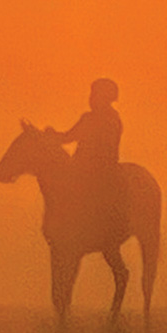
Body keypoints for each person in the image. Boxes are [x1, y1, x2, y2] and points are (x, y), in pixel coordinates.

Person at [48, 78, 125, 240]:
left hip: (97, 170)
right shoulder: (99, 118)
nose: (91, 99)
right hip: (86, 166)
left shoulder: (102, 119)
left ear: (105, 97)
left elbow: (69, 137)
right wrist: (52, 136)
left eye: (94, 95)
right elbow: (69, 136)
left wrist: (54, 137)